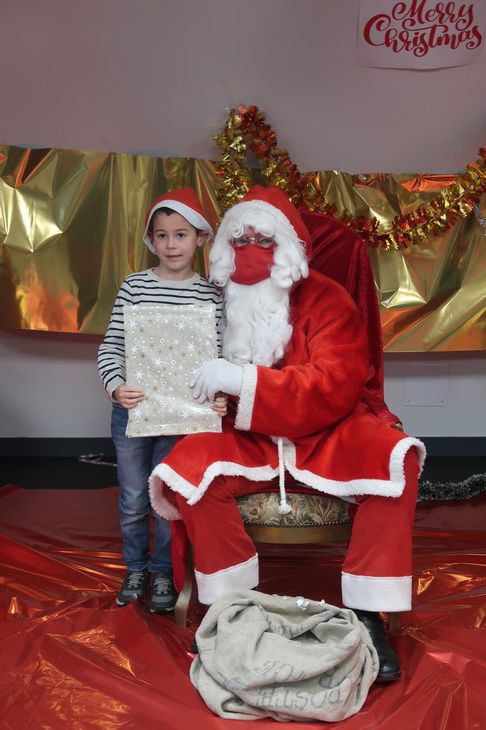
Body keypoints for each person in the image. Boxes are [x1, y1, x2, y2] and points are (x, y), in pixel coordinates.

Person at [148, 185, 426, 680]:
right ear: (224, 248)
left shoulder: (327, 297)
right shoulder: (212, 301)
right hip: (247, 436)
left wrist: (243, 380)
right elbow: (173, 366)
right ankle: (227, 608)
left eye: (264, 239)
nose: (250, 250)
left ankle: (368, 613)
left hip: (328, 433)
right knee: (187, 468)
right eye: (240, 239)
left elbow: (337, 384)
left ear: (289, 251)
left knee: (394, 458)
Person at [98, 187, 225, 613]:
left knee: (167, 499)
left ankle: (164, 571)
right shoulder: (134, 287)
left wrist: (220, 398)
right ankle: (135, 567)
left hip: (183, 417)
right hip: (134, 412)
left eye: (181, 235)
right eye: (163, 235)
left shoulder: (210, 297)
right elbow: (111, 347)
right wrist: (117, 386)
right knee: (134, 497)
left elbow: (220, 358)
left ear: (201, 238)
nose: (172, 244)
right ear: (152, 240)